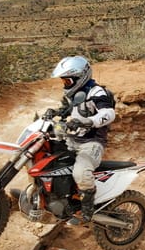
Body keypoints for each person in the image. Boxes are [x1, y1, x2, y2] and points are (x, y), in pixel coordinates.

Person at [47, 56, 116, 223]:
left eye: (67, 81)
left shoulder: (97, 92)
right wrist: (55, 113)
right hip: (71, 140)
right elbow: (68, 110)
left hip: (91, 143)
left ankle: (87, 210)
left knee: (81, 172)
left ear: (80, 77)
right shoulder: (76, 94)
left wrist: (89, 121)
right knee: (47, 159)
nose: (65, 84)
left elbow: (108, 113)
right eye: (63, 81)